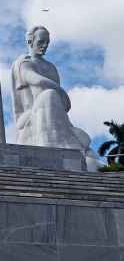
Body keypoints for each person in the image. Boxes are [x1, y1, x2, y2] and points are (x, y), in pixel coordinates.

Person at [11, 26, 99, 171]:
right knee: (49, 95)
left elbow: (62, 104)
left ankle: (69, 148)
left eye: (47, 43)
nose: (44, 46)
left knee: (50, 97)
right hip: (29, 116)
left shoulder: (51, 67)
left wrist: (59, 94)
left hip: (54, 115)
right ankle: (53, 147)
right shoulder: (23, 62)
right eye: (41, 42)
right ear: (30, 41)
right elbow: (35, 79)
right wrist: (60, 91)